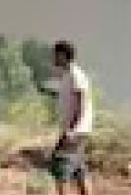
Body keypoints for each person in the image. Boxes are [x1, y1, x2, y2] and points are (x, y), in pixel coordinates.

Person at [42, 40, 96, 195]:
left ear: (63, 55)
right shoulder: (68, 74)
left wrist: (72, 130)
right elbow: (69, 98)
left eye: (55, 55)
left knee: (60, 169)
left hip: (75, 132)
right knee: (79, 170)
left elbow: (82, 101)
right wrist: (51, 92)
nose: (53, 58)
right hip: (77, 131)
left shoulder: (75, 74)